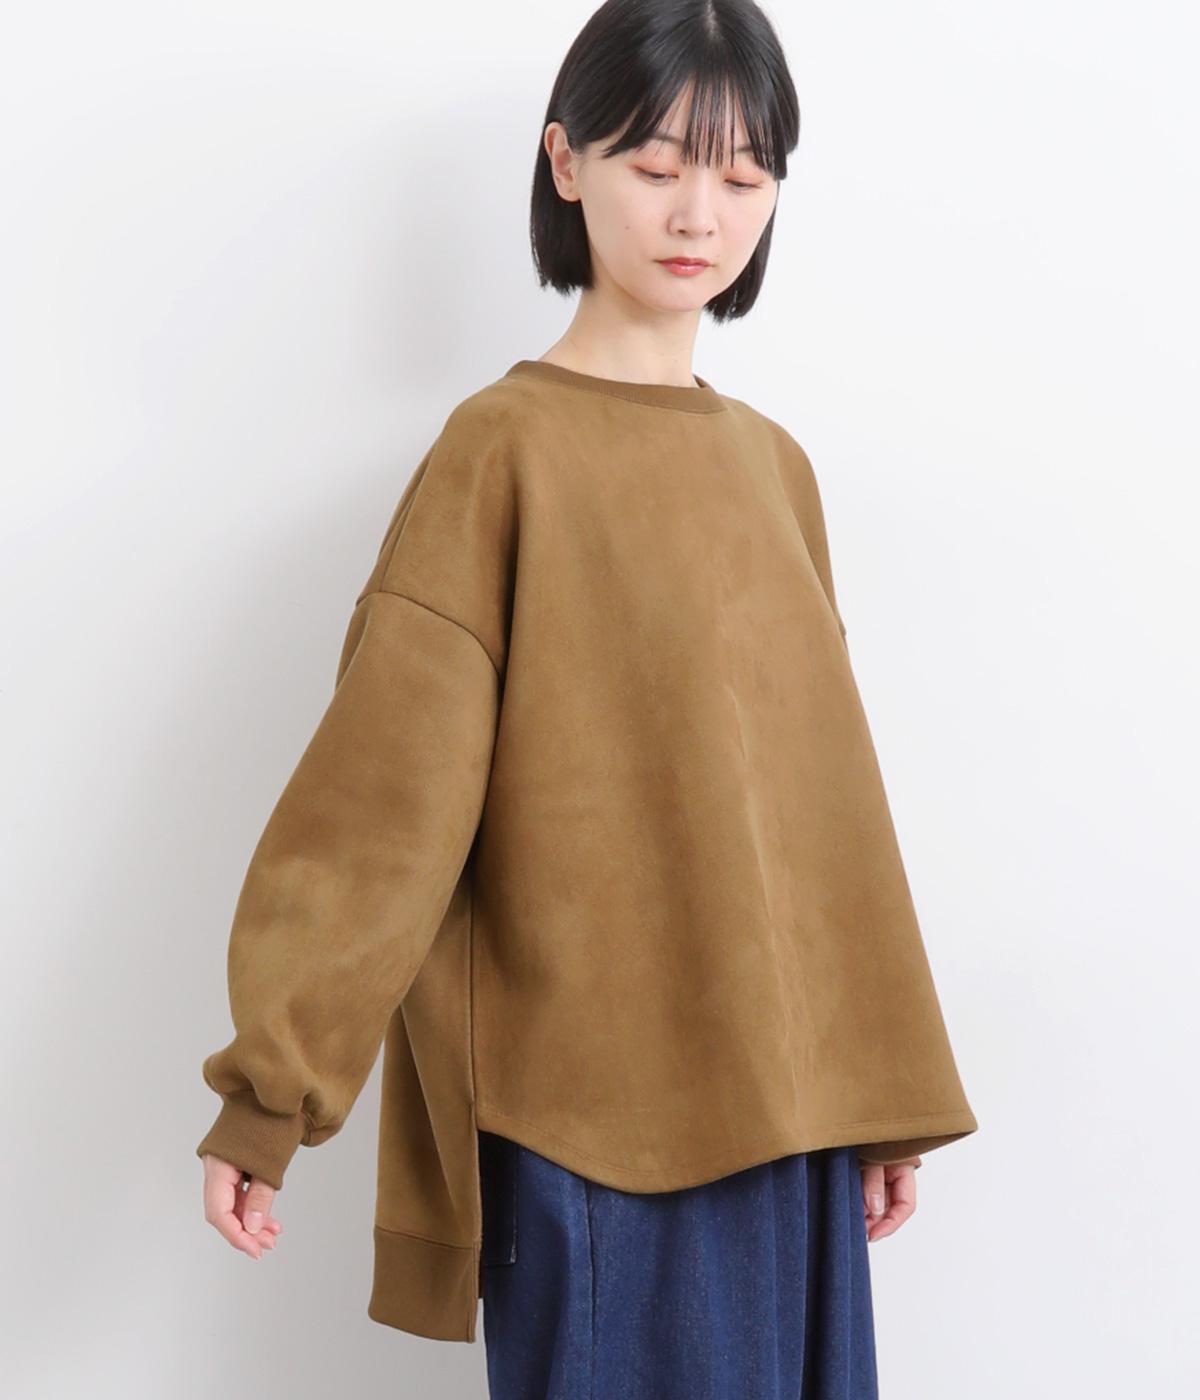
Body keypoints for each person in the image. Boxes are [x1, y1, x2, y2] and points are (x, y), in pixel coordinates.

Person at [197, 2, 978, 1395]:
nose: (700, 214)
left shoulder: (777, 468)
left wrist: (882, 1088)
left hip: (791, 1132)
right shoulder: (501, 453)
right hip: (590, 1137)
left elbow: (823, 812)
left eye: (744, 176)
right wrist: (270, 1097)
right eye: (657, 165)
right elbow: (383, 805)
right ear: (566, 161)